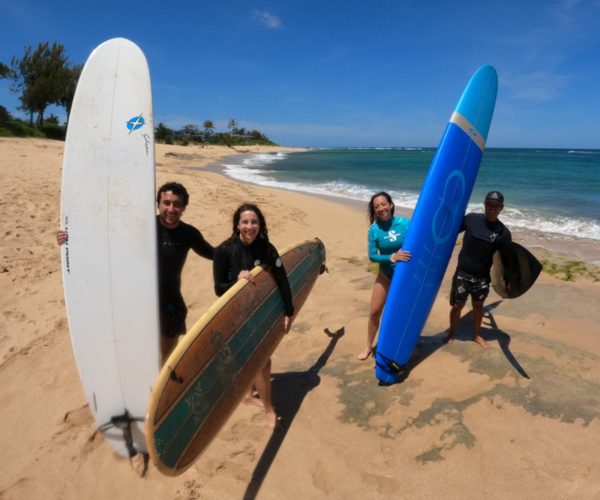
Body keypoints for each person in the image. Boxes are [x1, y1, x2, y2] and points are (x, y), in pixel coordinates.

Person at [57, 181, 215, 365]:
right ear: (158, 204)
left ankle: (162, 380)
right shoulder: (141, 227)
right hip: (138, 301)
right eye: (166, 203)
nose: (171, 209)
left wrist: (241, 247)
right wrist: (69, 238)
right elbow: (103, 241)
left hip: (170, 304)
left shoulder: (189, 234)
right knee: (137, 354)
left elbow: (215, 254)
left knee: (167, 357)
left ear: (184, 207)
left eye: (177, 204)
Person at [213, 203, 294, 428]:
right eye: (245, 222)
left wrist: (288, 311)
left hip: (259, 311)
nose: (250, 226)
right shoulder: (224, 251)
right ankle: (268, 409)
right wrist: (237, 282)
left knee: (256, 359)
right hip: (235, 313)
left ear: (260, 224)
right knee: (261, 361)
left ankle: (249, 395)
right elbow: (218, 289)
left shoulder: (267, 249)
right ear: (237, 224)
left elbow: (282, 279)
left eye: (254, 222)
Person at [445, 190, 513, 348]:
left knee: (478, 306)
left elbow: (507, 259)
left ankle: (476, 335)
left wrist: (508, 280)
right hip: (462, 273)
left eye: (496, 206)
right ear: (485, 204)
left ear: (501, 208)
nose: (492, 208)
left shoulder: (503, 233)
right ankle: (451, 333)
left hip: (482, 277)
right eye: (490, 204)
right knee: (457, 306)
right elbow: (450, 231)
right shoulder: (471, 219)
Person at [357, 192, 411, 361]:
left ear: (391, 205)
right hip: (385, 275)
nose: (381, 208)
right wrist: (391, 257)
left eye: (383, 204)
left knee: (401, 313)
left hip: (405, 277)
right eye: (377, 207)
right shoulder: (374, 230)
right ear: (374, 211)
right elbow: (372, 256)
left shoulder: (405, 223)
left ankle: (403, 343)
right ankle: (368, 346)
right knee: (374, 312)